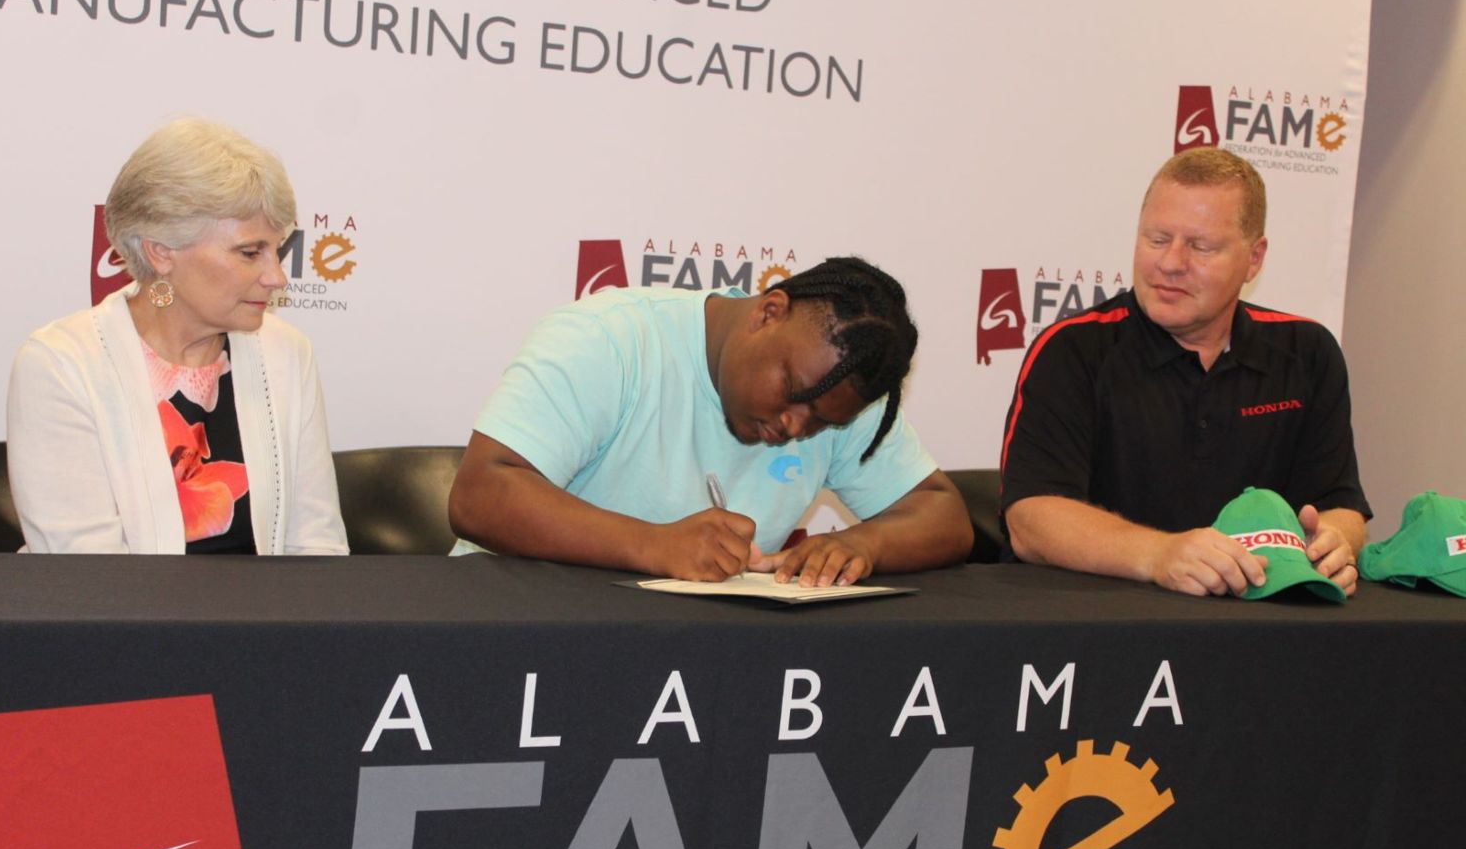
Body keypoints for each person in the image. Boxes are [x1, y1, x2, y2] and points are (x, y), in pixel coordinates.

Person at [448, 256, 972, 583]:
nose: (795, 426)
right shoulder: (609, 338)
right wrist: (654, 544)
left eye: (820, 422)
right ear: (769, 312)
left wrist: (862, 544)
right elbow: (480, 494)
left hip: (684, 655)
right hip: (517, 625)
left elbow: (942, 513)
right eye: (791, 393)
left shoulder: (839, 390)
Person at [999, 147, 1369, 596]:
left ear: (1254, 258)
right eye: (1157, 239)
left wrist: (1334, 542)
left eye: (1200, 246)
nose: (1171, 263)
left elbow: (1339, 504)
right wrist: (1160, 555)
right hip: (1101, 616)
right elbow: (1032, 521)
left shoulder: (1308, 352)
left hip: (1262, 612)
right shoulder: (1073, 350)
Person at [7, 119, 347, 555]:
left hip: (270, 603)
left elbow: (317, 545)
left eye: (277, 250)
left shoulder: (287, 353)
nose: (277, 277)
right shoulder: (61, 365)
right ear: (162, 252)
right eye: (250, 253)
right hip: (117, 601)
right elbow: (87, 573)